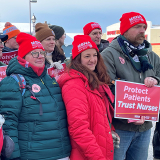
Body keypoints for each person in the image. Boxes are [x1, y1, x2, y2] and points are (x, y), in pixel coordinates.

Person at [0, 32, 71, 160]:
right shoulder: (13, 82)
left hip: (61, 153)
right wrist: (13, 156)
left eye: (42, 53)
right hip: (32, 155)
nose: (40, 56)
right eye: (34, 53)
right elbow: (8, 124)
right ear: (23, 56)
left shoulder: (50, 79)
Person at [101, 12, 160, 160]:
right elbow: (105, 88)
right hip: (120, 128)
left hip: (144, 127)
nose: (142, 30)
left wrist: (156, 79)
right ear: (125, 31)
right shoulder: (109, 55)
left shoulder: (151, 56)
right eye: (137, 27)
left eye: (144, 27)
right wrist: (130, 113)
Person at [57, 35, 120, 160]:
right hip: (88, 154)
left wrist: (110, 130)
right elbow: (78, 129)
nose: (93, 60)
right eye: (87, 56)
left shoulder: (92, 81)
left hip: (100, 147)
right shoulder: (74, 85)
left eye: (95, 55)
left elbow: (100, 114)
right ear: (77, 59)